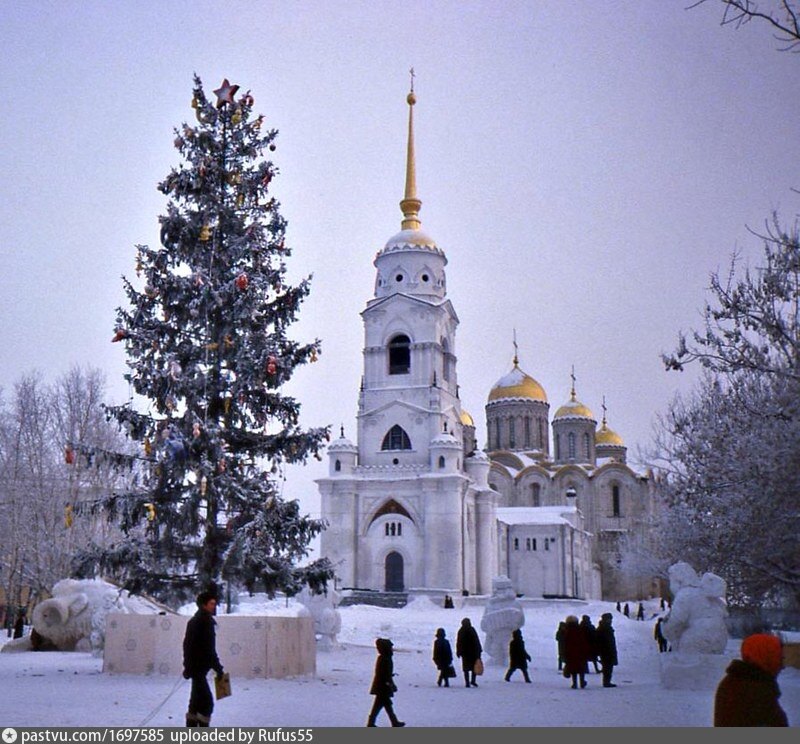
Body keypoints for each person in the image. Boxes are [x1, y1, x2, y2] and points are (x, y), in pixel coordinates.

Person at [714, 633, 788, 727]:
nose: (782, 666)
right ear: (766, 657)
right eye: (779, 659)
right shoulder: (756, 692)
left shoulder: (733, 681)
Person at [182, 590, 225, 727]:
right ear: (203, 605)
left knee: (195, 702)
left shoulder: (194, 621)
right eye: (212, 603)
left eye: (215, 603)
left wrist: (187, 666)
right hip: (199, 669)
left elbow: (187, 646)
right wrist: (219, 669)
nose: (214, 606)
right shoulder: (205, 622)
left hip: (195, 668)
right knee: (207, 703)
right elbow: (209, 650)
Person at [367, 637, 405, 727]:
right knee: (384, 705)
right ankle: (392, 722)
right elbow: (385, 675)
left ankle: (373, 722)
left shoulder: (384, 658)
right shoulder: (385, 659)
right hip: (383, 687)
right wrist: (391, 684)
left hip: (381, 686)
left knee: (382, 705)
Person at [561, 615, 590, 689]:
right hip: (580, 652)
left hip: (571, 653)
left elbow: (565, 643)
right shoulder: (580, 629)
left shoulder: (567, 631)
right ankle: (582, 682)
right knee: (581, 669)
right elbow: (584, 641)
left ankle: (574, 683)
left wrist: (564, 654)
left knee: (573, 669)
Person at [456, 617, 483, 688]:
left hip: (465, 653)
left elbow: (459, 642)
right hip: (473, 653)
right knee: (474, 667)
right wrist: (479, 650)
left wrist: (458, 652)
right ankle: (473, 681)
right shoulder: (472, 630)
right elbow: (476, 641)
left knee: (466, 669)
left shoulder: (461, 631)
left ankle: (467, 682)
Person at [596, 612, 618, 688]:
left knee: (608, 667)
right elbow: (600, 640)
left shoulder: (605, 627)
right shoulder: (603, 628)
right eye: (609, 619)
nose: (610, 620)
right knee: (607, 667)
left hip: (608, 649)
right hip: (606, 650)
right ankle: (606, 682)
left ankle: (607, 681)